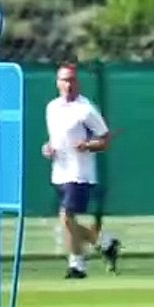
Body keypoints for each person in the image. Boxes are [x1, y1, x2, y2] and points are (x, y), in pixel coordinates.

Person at [42, 63, 119, 278]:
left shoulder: (85, 108)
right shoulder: (52, 107)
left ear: (78, 83)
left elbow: (105, 140)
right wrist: (47, 148)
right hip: (59, 171)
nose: (68, 84)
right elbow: (55, 139)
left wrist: (87, 145)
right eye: (64, 80)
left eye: (72, 80)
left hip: (80, 173)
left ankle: (78, 263)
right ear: (57, 83)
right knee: (68, 220)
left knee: (66, 217)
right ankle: (103, 244)